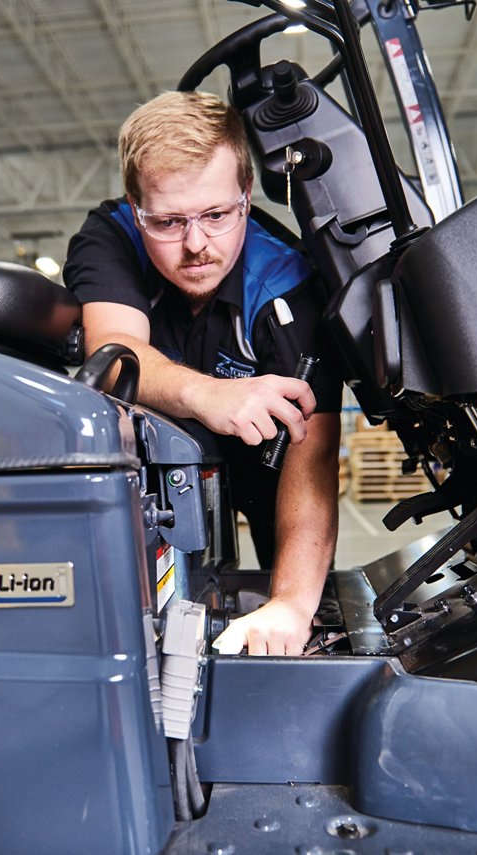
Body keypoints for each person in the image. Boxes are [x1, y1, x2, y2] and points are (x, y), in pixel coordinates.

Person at [63, 90, 341, 656]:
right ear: (134, 206)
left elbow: (311, 452)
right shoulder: (112, 236)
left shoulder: (287, 280)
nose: (196, 245)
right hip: (151, 467)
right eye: (166, 221)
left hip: (263, 461)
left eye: (216, 215)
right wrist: (209, 394)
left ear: (245, 195)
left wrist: (290, 604)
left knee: (287, 599)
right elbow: (114, 352)